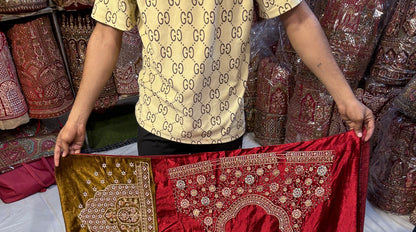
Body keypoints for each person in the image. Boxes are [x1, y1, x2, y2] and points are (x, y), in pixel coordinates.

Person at [54, 0, 375, 165]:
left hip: (223, 127)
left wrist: (345, 99)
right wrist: (77, 118)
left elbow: (298, 18)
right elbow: (107, 34)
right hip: (159, 124)